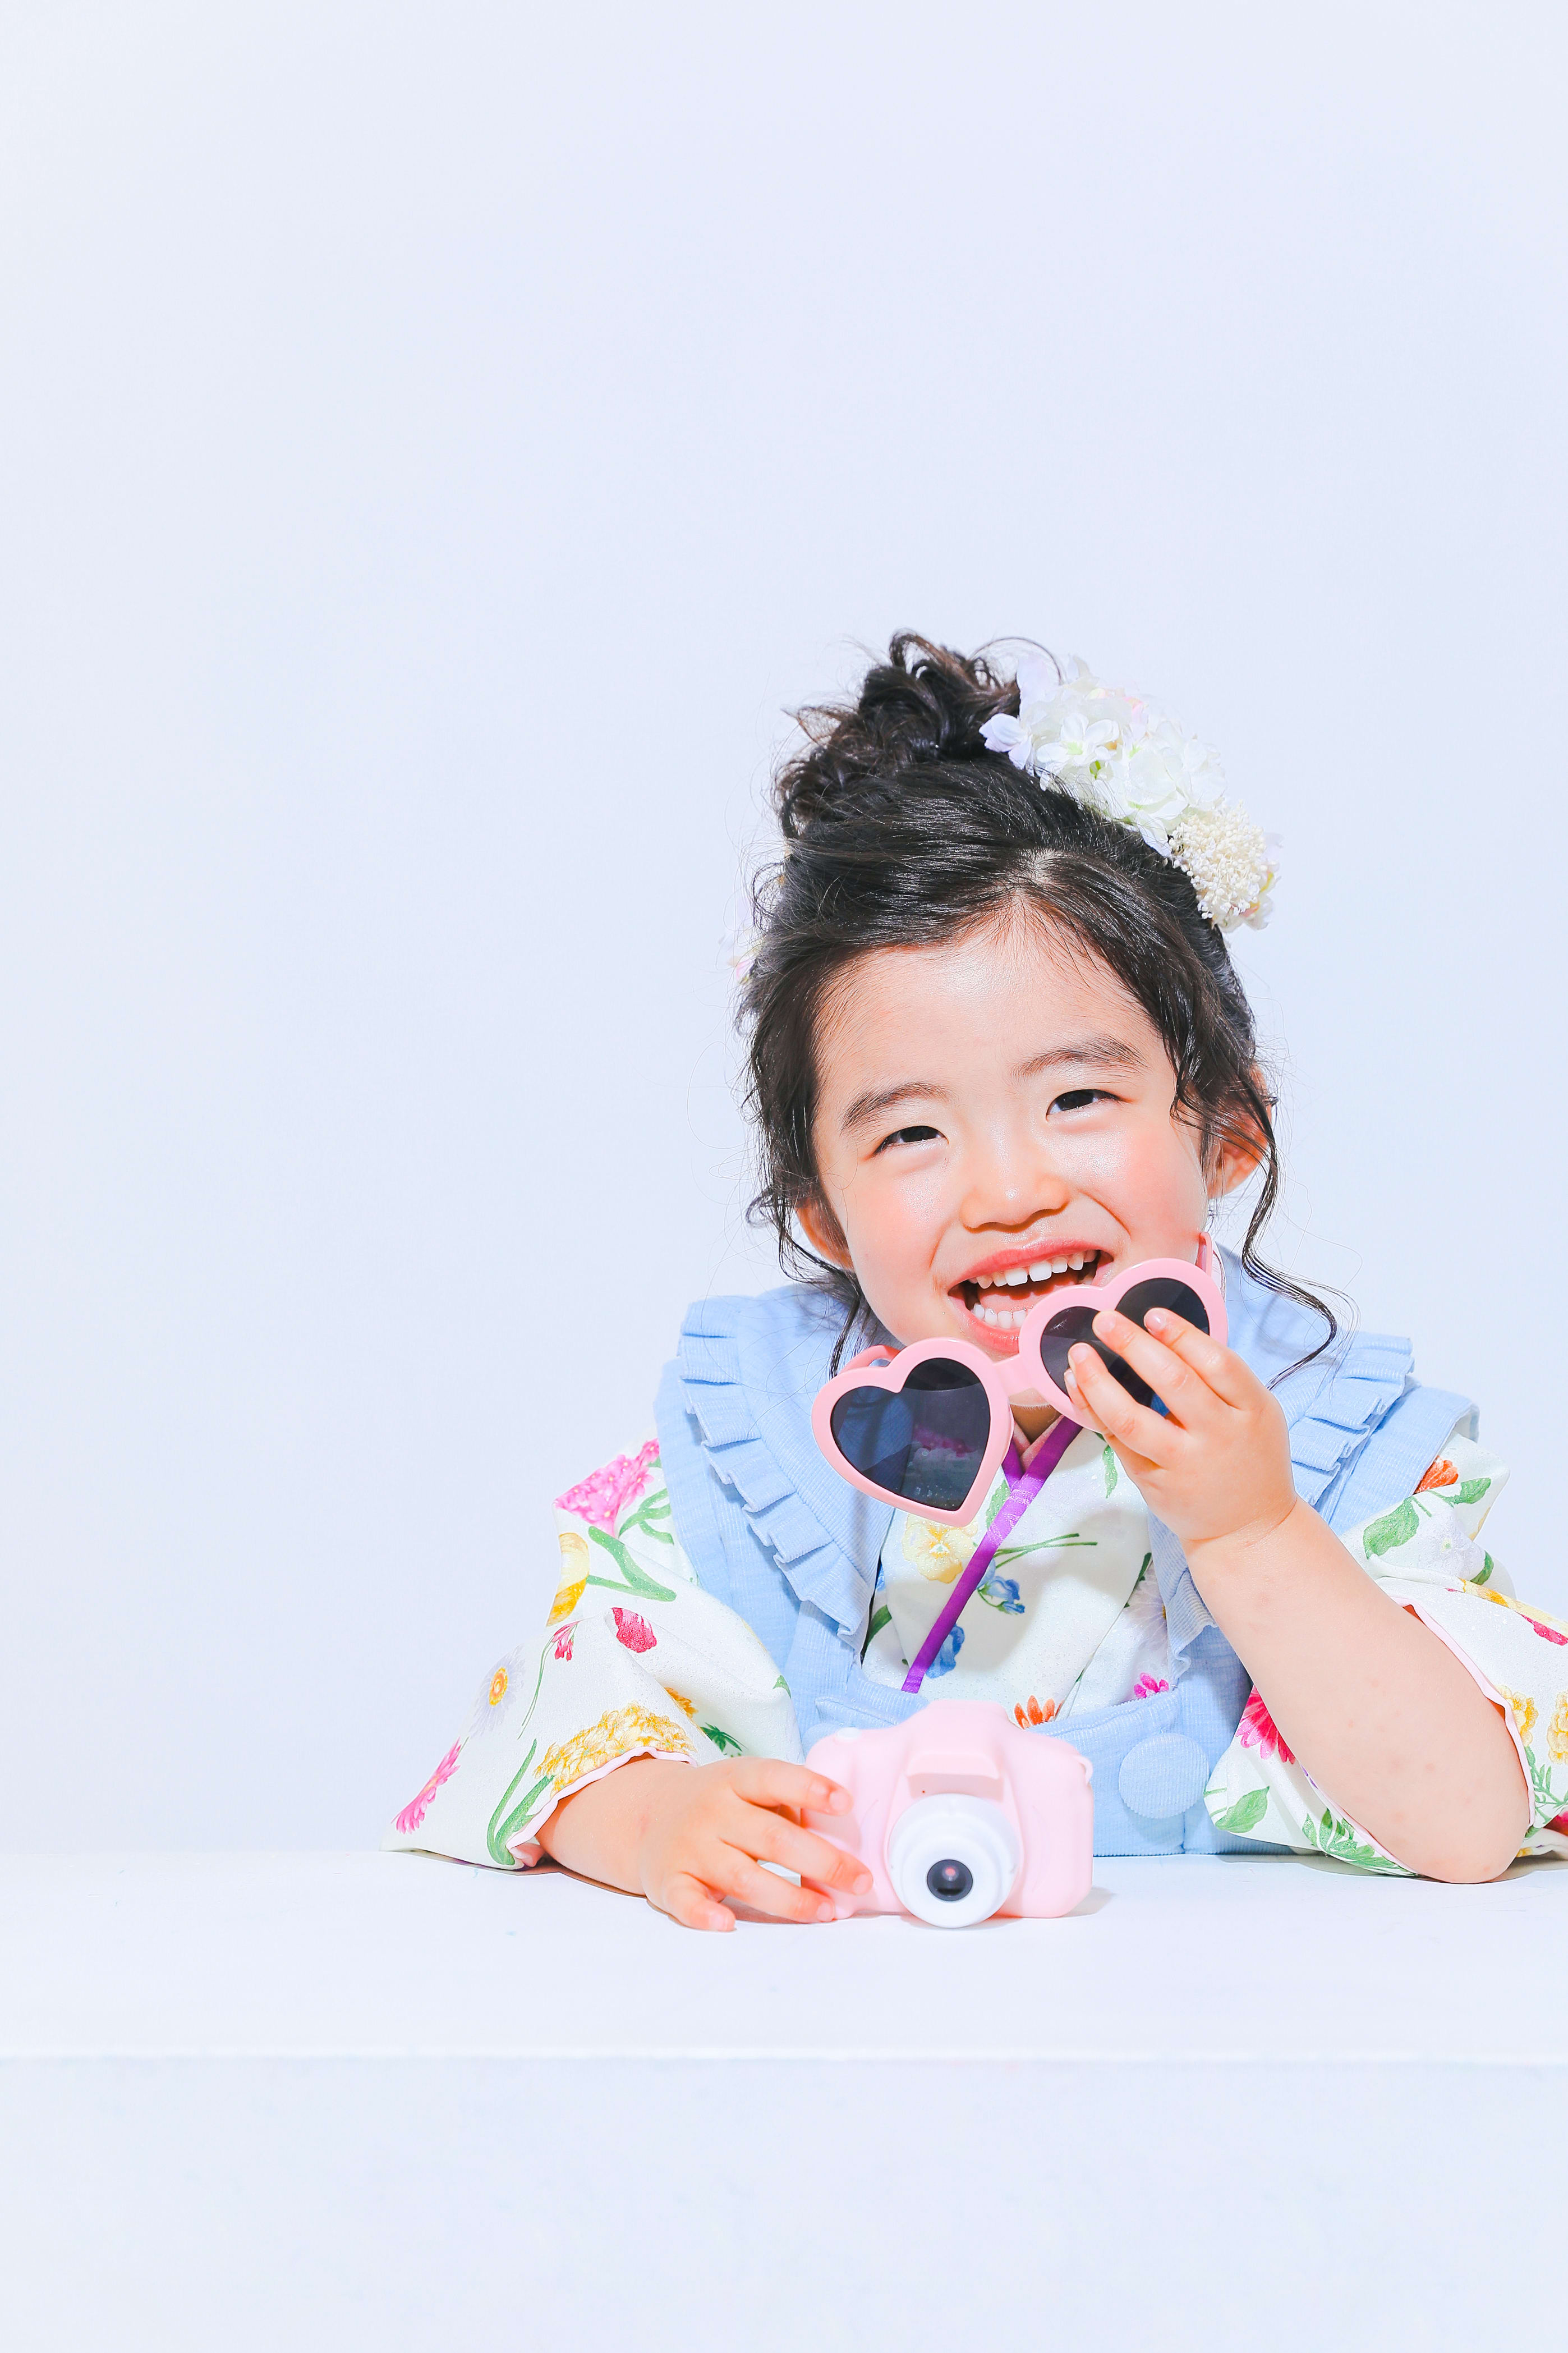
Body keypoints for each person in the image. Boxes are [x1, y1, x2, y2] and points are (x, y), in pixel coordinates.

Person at [387, 636, 1568, 1927]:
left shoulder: (1339, 1452)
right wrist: (650, 1815)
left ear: (1227, 1127)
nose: (1006, 1193)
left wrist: (1253, 1532)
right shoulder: (759, 1444)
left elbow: (1467, 1823)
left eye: (1076, 1096)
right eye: (911, 1134)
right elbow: (538, 1736)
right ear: (824, 1214)